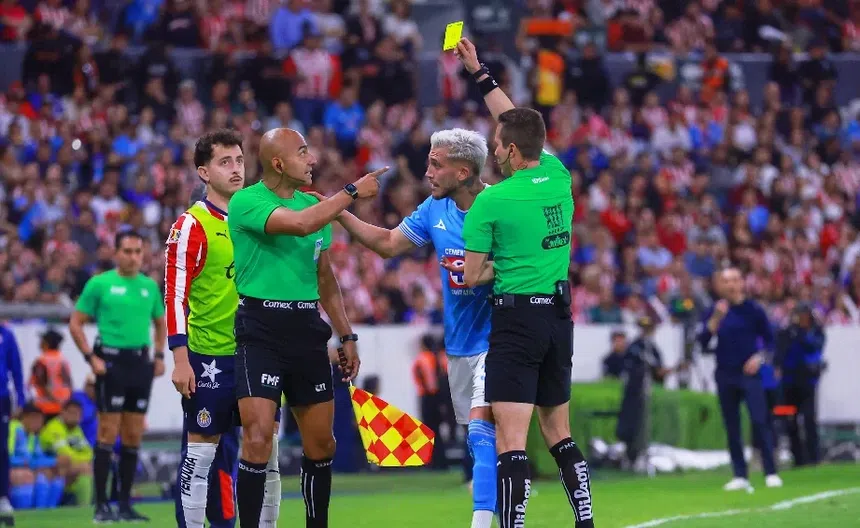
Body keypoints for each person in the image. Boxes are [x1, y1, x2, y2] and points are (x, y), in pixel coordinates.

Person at [455, 37, 595, 528]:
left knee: (511, 441)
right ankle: (585, 521)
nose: (494, 150)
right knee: (560, 434)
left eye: (498, 145)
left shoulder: (490, 202)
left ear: (511, 151)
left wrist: (499, 265)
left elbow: (471, 275)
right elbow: (515, 120)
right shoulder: (558, 175)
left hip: (517, 322)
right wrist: (481, 74)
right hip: (559, 318)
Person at [329, 125, 497, 528]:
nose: (427, 173)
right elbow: (388, 243)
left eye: (436, 165)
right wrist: (339, 212)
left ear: (462, 172)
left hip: (500, 338)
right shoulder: (434, 209)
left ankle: (482, 521)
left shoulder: (500, 206)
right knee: (481, 439)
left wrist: (489, 271)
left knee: (481, 431)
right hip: (459, 344)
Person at [227, 127, 384, 528]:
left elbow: (325, 279)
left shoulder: (316, 207)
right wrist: (351, 192)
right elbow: (298, 224)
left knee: (322, 444)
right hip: (260, 329)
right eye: (302, 152)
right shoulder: (247, 201)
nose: (312, 159)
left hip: (306, 329)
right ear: (278, 163)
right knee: (257, 438)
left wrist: (346, 335)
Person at [69, 230, 167, 522]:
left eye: (138, 252)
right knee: (107, 433)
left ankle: (124, 505)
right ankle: (101, 506)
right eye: (127, 251)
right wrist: (90, 357)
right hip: (111, 363)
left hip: (139, 364)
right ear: (116, 253)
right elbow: (76, 322)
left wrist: (159, 356)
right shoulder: (100, 284)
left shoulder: (149, 286)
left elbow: (160, 323)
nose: (133, 257)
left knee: (133, 435)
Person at [697, 267, 782, 490]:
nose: (731, 285)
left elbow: (770, 341)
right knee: (732, 425)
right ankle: (740, 474)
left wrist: (759, 358)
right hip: (725, 373)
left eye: (734, 280)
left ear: (742, 283)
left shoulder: (753, 309)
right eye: (726, 281)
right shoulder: (714, 311)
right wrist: (716, 318)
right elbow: (703, 341)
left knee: (759, 420)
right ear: (720, 285)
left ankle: (770, 471)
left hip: (749, 374)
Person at [774, 303, 826, 467]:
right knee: (790, 419)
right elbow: (779, 351)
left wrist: (801, 332)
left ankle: (814, 457)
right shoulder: (787, 332)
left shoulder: (815, 331)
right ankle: (798, 458)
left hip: (808, 382)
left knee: (809, 418)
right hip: (789, 382)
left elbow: (815, 346)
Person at [8, 403, 62, 509]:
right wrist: (26, 463)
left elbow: (37, 458)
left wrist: (54, 462)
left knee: (54, 475)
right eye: (36, 419)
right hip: (9, 469)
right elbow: (6, 457)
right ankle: (24, 512)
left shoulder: (32, 435)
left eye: (40, 420)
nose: (39, 423)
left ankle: (46, 513)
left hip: (24, 467)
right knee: (27, 476)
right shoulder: (13, 428)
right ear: (25, 417)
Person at [39, 399, 93, 505]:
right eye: (72, 413)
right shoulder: (54, 428)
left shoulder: (76, 430)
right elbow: (65, 454)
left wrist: (82, 462)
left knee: (88, 467)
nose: (75, 417)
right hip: (48, 469)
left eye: (78, 414)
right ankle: (83, 506)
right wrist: (82, 462)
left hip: (67, 470)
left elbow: (89, 453)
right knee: (83, 467)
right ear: (62, 412)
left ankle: (85, 506)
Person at [0, 323, 25, 525]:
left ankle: (2, 497)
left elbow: (16, 367)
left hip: (1, 398)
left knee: (1, 449)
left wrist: (21, 397)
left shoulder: (6, 335)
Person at [28, 329, 73, 420]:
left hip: (45, 408)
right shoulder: (63, 360)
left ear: (46, 343)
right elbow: (69, 383)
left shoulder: (41, 361)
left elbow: (42, 384)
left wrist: (55, 400)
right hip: (63, 407)